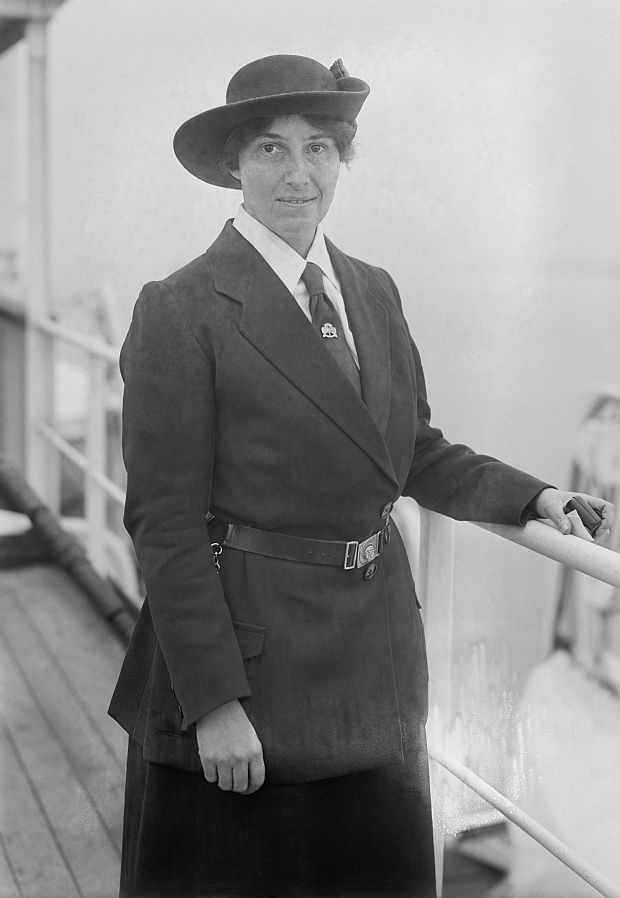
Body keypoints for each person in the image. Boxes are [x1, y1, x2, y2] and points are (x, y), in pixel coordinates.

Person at [108, 54, 614, 898]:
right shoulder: (181, 308)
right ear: (234, 164)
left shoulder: (372, 292)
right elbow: (164, 523)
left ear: (344, 158)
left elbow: (410, 450)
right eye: (270, 149)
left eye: (319, 148)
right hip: (249, 670)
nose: (298, 174)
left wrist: (534, 496)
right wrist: (214, 704)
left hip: (371, 663)